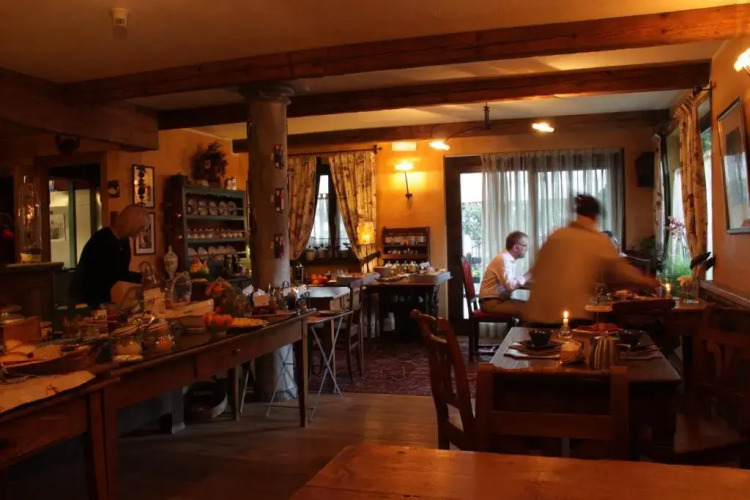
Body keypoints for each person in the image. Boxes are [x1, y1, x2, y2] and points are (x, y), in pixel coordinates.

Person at [526, 194, 659, 326]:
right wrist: (649, 282)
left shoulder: (556, 235)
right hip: (571, 315)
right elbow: (621, 271)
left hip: (536, 314)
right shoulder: (596, 239)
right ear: (595, 216)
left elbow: (536, 270)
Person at [71, 204, 150, 309]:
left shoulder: (124, 241)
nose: (142, 233)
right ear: (133, 225)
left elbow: (122, 272)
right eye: (141, 229)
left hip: (103, 295)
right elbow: (98, 274)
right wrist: (100, 304)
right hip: (86, 297)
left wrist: (142, 277)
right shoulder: (102, 238)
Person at [478, 230, 530, 317]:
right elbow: (510, 286)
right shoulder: (503, 259)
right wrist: (529, 274)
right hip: (491, 303)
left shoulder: (507, 259)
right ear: (515, 248)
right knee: (530, 310)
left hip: (499, 300)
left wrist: (531, 283)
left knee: (532, 306)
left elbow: (511, 283)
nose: (527, 249)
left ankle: (519, 325)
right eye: (525, 245)